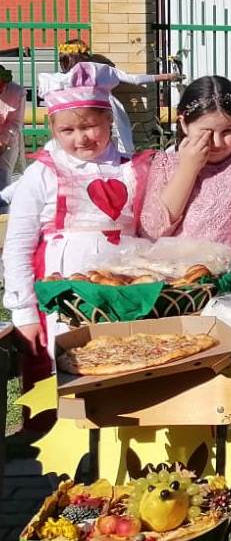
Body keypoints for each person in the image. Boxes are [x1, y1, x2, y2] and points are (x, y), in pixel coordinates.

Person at [2, 65, 149, 372]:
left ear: (109, 119)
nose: (81, 138)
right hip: (63, 297)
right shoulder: (42, 174)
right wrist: (24, 311)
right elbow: (18, 246)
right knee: (67, 371)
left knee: (124, 364)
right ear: (53, 129)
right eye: (67, 131)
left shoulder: (132, 170)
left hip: (123, 292)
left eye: (90, 126)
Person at [141, 76, 231, 255]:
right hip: (170, 267)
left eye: (227, 131)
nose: (217, 142)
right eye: (206, 132)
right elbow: (151, 231)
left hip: (227, 268)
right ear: (184, 124)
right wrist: (187, 170)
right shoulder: (164, 163)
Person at [49, 39, 183, 155]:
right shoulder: (100, 70)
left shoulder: (56, 79)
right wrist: (167, 76)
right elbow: (134, 79)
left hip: (72, 118)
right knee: (115, 148)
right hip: (104, 112)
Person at [0, 65, 25, 209]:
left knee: (3, 176)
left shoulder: (17, 92)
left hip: (8, 138)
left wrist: (3, 141)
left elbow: (15, 122)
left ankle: (2, 213)